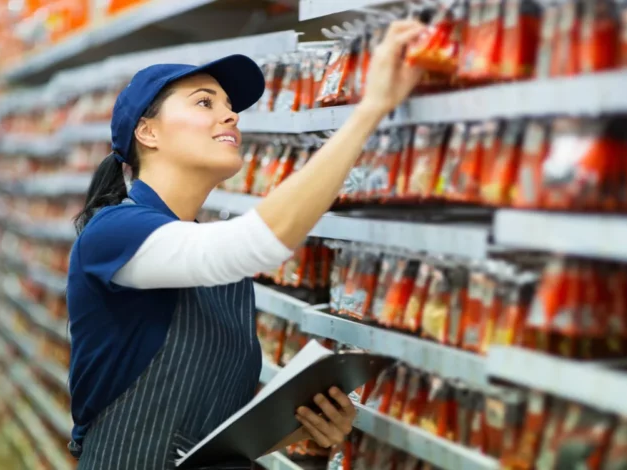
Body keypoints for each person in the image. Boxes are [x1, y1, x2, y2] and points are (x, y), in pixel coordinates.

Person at [66, 19, 425, 470]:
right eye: (204, 102)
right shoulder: (114, 232)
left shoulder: (222, 274)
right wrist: (370, 109)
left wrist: (296, 429)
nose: (231, 115)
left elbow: (199, 434)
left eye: (231, 106)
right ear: (148, 132)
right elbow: (252, 243)